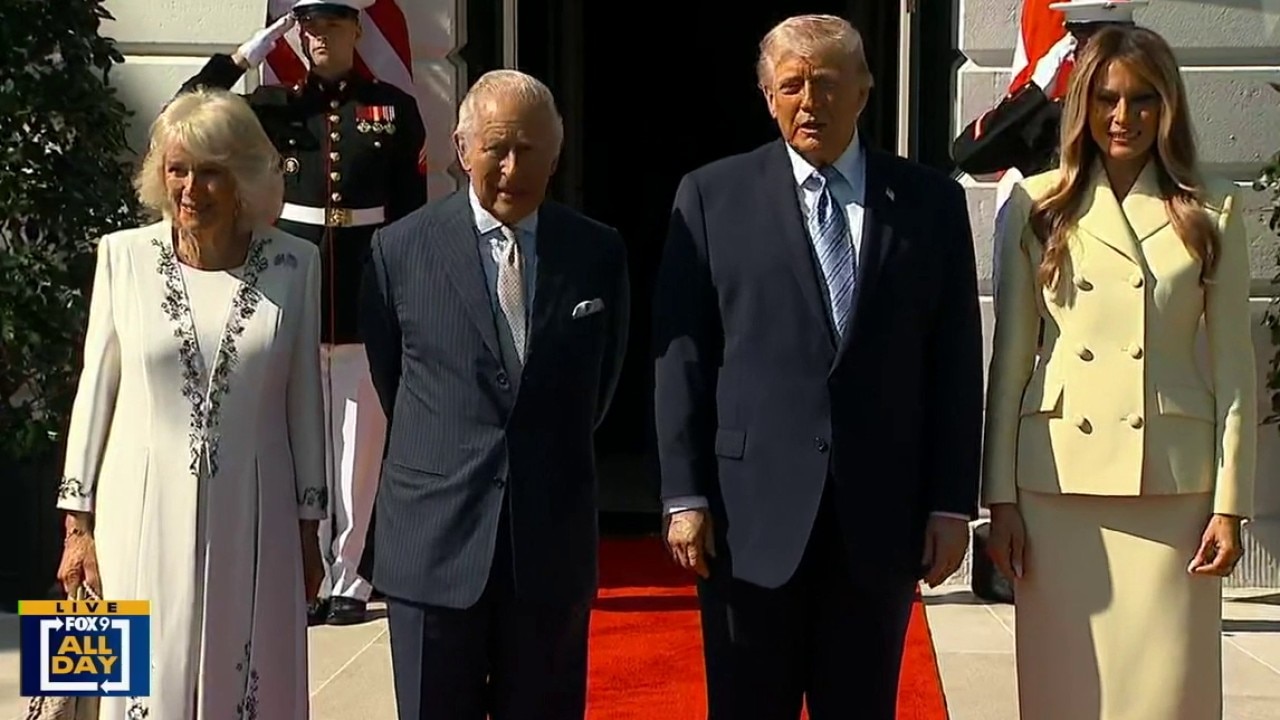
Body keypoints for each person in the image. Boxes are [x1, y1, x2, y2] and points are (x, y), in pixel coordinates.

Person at [653, 14, 983, 719]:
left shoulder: (930, 204)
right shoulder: (711, 197)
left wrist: (952, 503)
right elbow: (682, 357)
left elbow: (955, 365)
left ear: (864, 91)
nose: (811, 101)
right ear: (768, 96)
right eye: (792, 84)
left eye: (828, 83)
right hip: (748, 521)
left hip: (879, 519)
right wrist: (685, 496)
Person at [982, 24, 1255, 720]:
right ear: (1082, 106)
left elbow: (1233, 371)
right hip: (1056, 484)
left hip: (1172, 488)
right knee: (1067, 690)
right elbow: (1011, 363)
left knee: (1168, 692)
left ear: (1168, 108)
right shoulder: (1037, 203)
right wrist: (1000, 498)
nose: (1123, 116)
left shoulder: (1212, 206)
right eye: (1106, 99)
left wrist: (1231, 503)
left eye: (1142, 100)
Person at [358, 69, 630, 720]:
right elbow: (392, 377)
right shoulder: (398, 251)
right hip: (433, 545)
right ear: (463, 148)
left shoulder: (596, 252)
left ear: (556, 155)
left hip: (548, 550)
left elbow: (602, 385)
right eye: (497, 148)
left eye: (530, 150)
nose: (512, 168)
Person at [52, 87, 326, 720]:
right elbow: (95, 390)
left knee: (251, 684)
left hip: (255, 519)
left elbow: (304, 404)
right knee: (121, 690)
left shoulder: (296, 264)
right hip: (134, 514)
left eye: (211, 171)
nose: (191, 188)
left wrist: (311, 530)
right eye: (178, 169)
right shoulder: (122, 257)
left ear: (245, 179)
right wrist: (77, 526)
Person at [177, 0, 429, 626]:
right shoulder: (271, 107)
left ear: (355, 29)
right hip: (290, 290)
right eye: (307, 24)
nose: (316, 35)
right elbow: (183, 114)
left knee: (359, 450)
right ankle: (307, 569)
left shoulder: (394, 109)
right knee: (299, 444)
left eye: (330, 23)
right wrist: (241, 59)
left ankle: (349, 576)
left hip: (366, 289)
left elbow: (411, 213)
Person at [951, 0, 1148, 178]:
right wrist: (1034, 92)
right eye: (1092, 51)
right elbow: (969, 154)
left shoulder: (1149, 111)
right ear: (1072, 53)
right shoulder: (1049, 122)